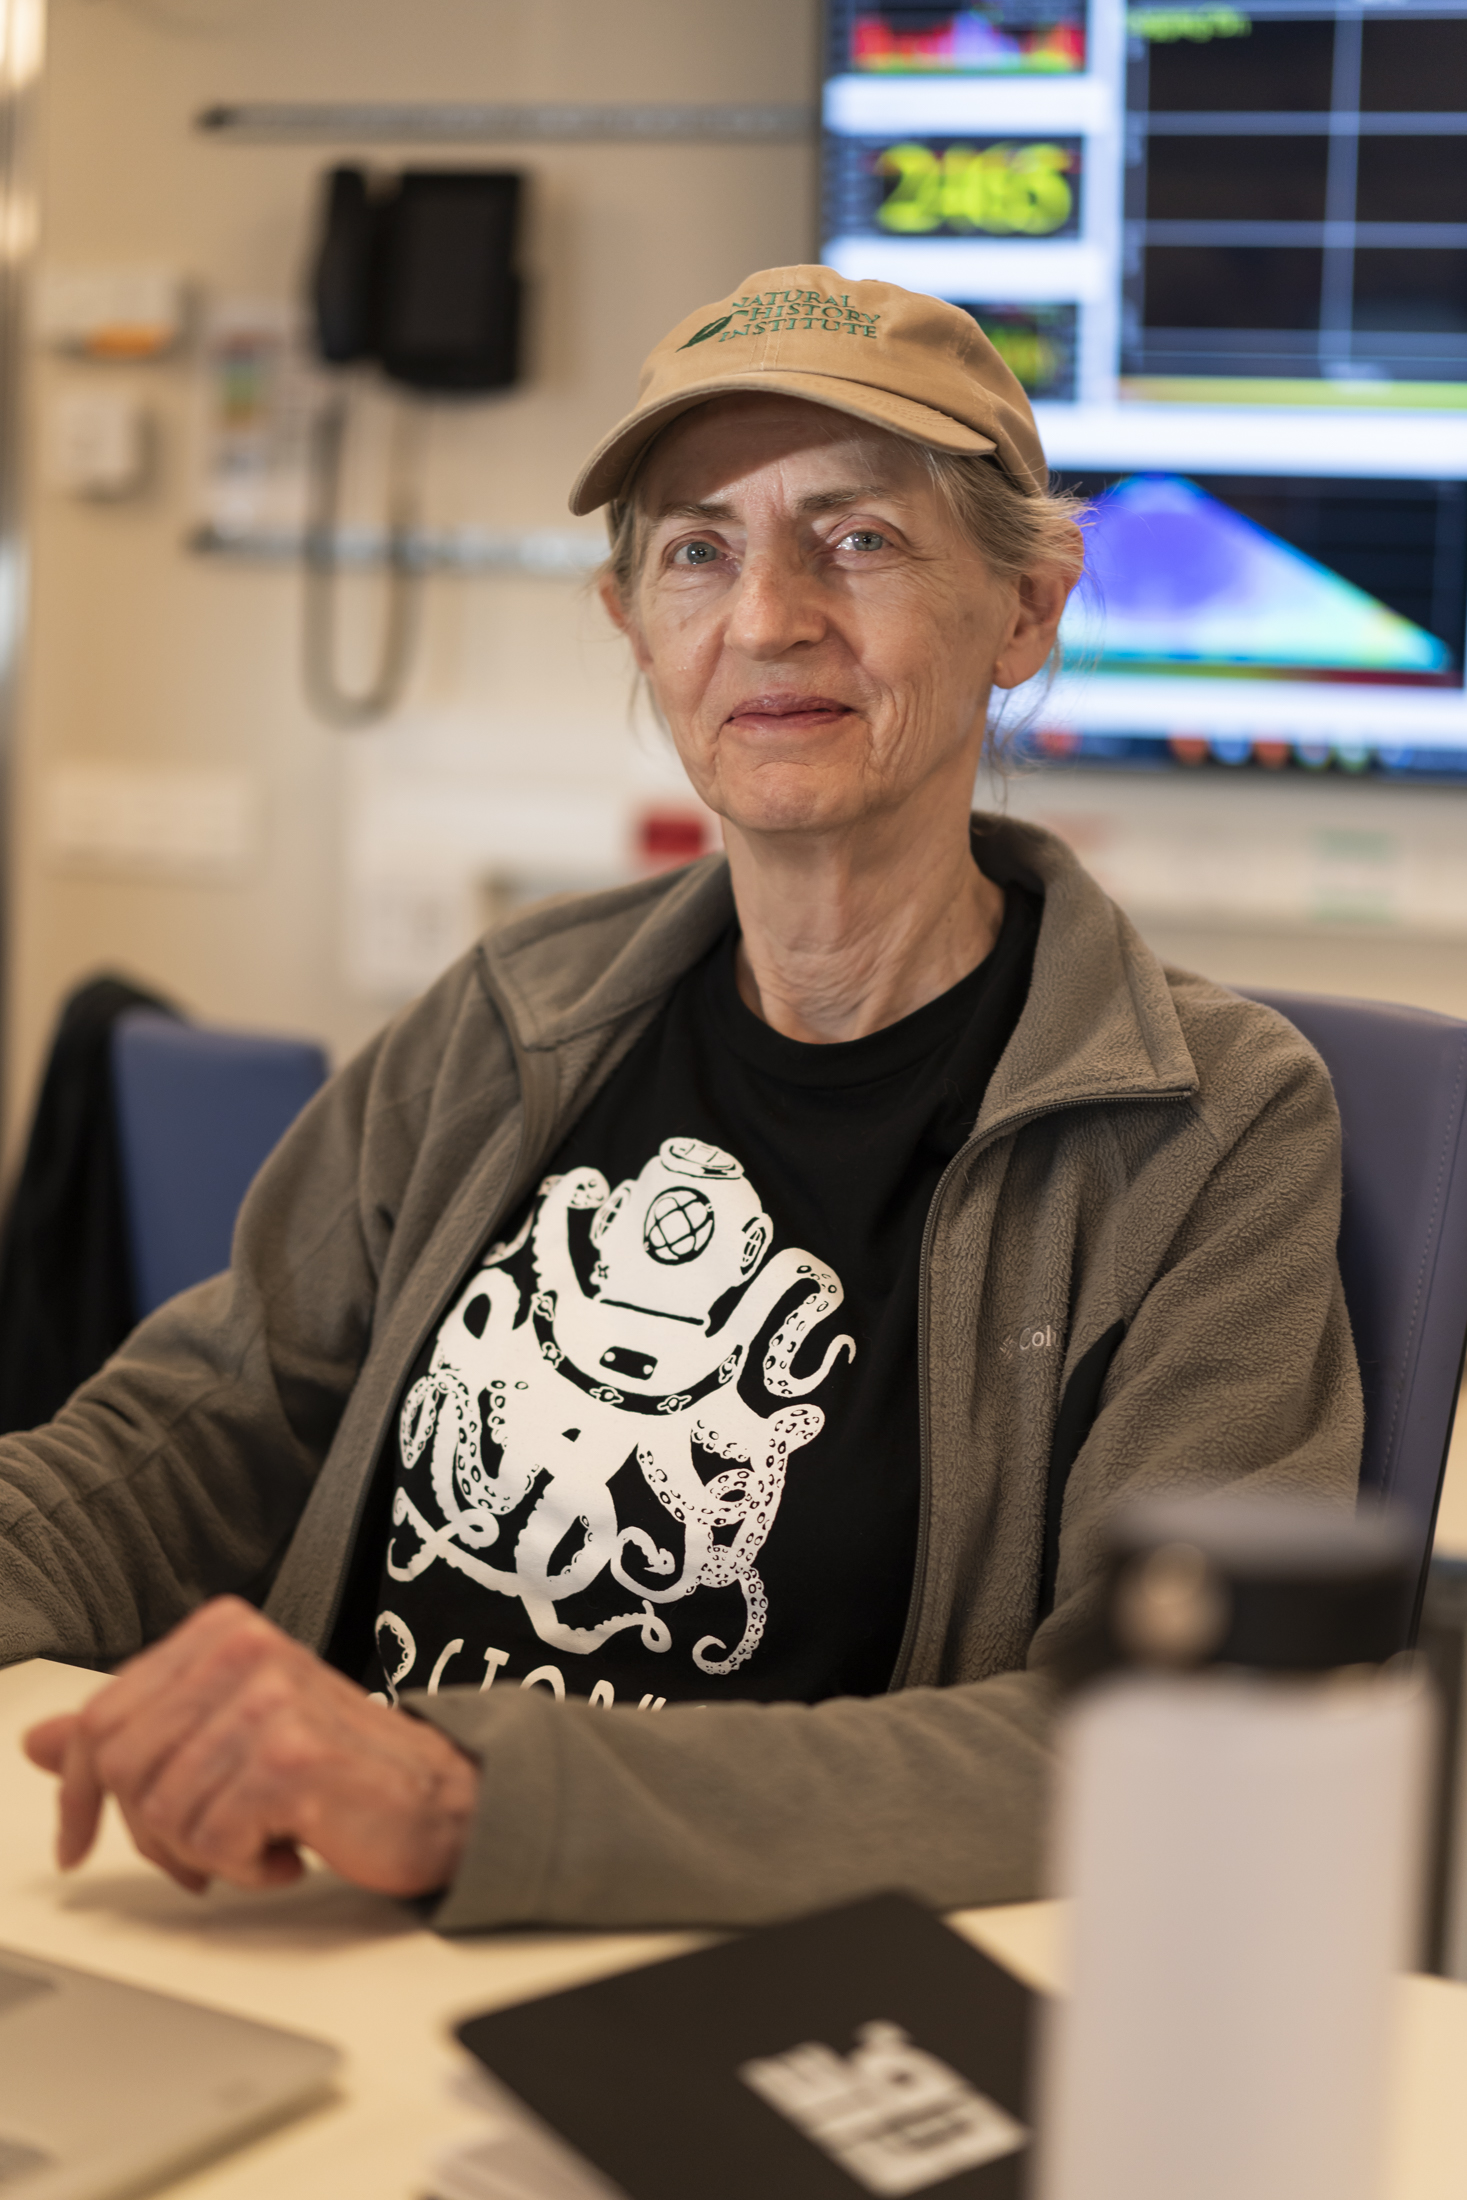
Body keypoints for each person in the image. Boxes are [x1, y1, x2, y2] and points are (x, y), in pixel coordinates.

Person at [7, 266, 1360, 1929]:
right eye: (698, 549)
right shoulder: (514, 1018)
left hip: (774, 1987)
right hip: (329, 1938)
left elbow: (1172, 1738)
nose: (770, 614)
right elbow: (202, 1432)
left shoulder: (1206, 1124)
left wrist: (470, 1795)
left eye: (858, 538)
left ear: (1026, 610)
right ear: (634, 623)